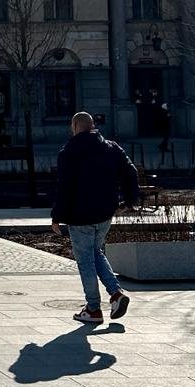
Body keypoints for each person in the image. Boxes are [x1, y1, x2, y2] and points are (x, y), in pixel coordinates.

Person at [52, 110, 137, 323]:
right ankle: (116, 294)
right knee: (96, 252)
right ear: (92, 126)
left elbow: (65, 187)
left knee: (86, 261)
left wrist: (56, 216)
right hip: (105, 213)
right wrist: (129, 200)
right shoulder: (111, 147)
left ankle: (93, 308)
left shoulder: (68, 152)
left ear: (74, 127)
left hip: (79, 215)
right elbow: (131, 171)